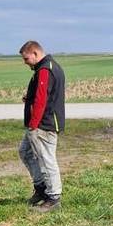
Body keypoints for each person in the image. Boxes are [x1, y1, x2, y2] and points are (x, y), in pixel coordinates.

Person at [18, 41, 65, 211]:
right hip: (41, 123)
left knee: (46, 160)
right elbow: (44, 94)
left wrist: (33, 124)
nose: (25, 62)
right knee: (25, 151)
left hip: (43, 124)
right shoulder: (47, 67)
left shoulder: (45, 69)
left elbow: (41, 100)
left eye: (26, 58)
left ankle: (53, 197)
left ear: (35, 53)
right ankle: (41, 188)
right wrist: (29, 98)